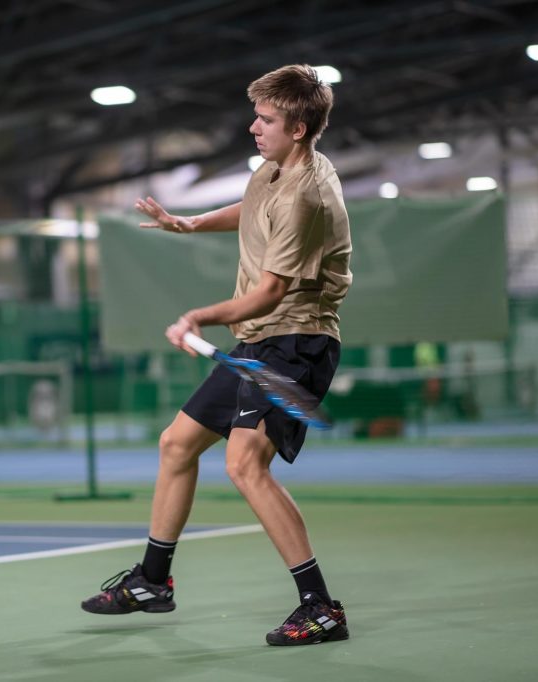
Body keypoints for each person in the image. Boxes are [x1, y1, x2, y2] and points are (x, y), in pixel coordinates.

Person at [80, 64, 353, 646]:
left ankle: (320, 607)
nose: (253, 127)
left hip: (296, 340)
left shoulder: (308, 193)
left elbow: (272, 291)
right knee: (177, 444)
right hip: (260, 338)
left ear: (298, 129)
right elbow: (254, 207)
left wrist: (199, 316)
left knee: (243, 465)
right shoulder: (278, 168)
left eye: (266, 119)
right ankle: (153, 581)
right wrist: (190, 223)